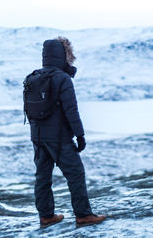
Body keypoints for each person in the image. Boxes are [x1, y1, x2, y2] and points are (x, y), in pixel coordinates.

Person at [28, 37, 106, 228]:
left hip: (37, 136)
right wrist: (80, 135)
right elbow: (71, 110)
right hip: (59, 138)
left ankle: (46, 216)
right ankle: (83, 215)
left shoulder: (33, 77)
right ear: (64, 55)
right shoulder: (62, 79)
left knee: (42, 177)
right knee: (75, 173)